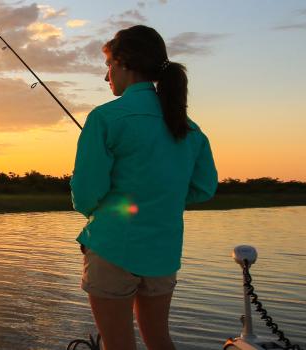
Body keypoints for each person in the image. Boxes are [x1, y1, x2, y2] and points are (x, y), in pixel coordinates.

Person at [70, 25, 218, 350]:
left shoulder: (105, 118)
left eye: (108, 65)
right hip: (163, 254)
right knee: (160, 341)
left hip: (111, 248)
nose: (106, 76)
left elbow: (85, 195)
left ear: (124, 63)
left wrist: (102, 213)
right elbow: (204, 188)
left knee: (118, 344)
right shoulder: (191, 130)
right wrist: (160, 199)